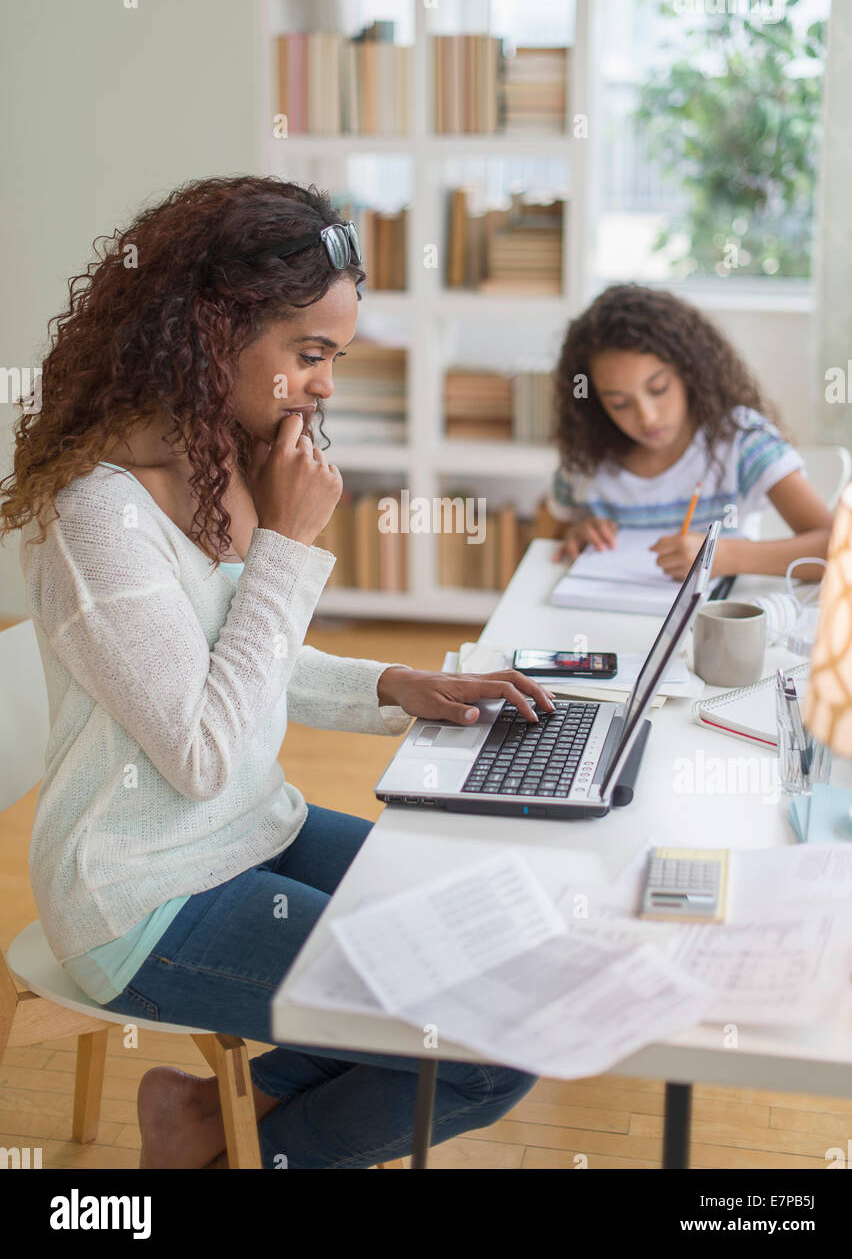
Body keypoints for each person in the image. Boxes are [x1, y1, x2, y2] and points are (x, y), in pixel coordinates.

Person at [0, 175, 549, 1169]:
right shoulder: (99, 518)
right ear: (213, 333)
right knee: (488, 1044)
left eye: (334, 356)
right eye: (310, 353)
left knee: (500, 954)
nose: (327, 384)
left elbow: (243, 666)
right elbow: (204, 750)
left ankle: (212, 1120)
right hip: (142, 895)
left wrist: (393, 684)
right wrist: (290, 547)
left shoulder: (212, 461)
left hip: (253, 833)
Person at [545, 283, 832, 580]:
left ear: (690, 371)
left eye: (659, 389)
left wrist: (726, 556)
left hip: (712, 623)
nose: (647, 417)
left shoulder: (740, 440)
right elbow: (551, 541)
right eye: (619, 403)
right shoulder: (586, 457)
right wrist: (576, 533)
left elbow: (841, 548)